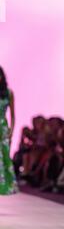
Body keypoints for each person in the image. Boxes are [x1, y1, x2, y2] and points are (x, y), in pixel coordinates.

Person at [0, 66, 18, 195]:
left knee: (5, 155)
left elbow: (12, 114)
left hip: (3, 126)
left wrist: (12, 130)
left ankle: (7, 185)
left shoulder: (9, 93)